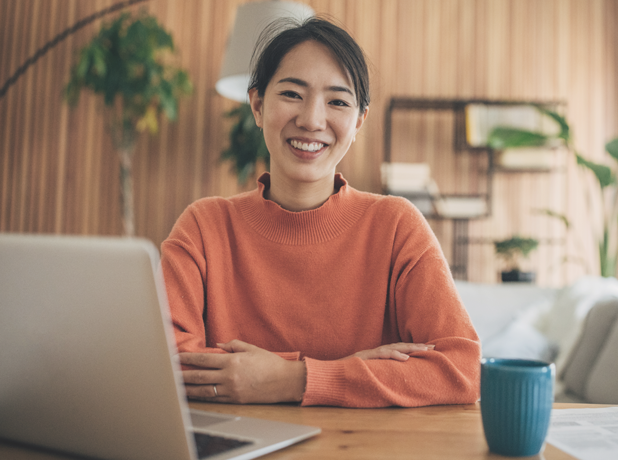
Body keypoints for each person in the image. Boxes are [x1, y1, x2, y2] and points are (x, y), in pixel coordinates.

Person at [161, 17, 481, 408]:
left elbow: (463, 370)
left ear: (359, 121)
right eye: (293, 94)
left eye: (338, 101)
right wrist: (348, 370)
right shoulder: (203, 227)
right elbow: (164, 364)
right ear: (258, 105)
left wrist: (294, 379)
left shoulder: (396, 226)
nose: (312, 120)